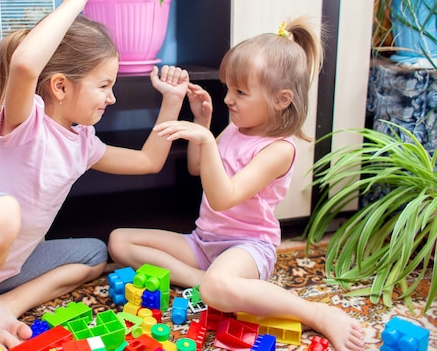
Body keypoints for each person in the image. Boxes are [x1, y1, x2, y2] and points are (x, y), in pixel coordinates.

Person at [0, 0, 190, 351]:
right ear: (59, 86)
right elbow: (25, 66)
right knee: (4, 210)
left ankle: (2, 304)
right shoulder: (27, 122)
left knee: (93, 254)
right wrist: (75, 0)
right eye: (104, 86)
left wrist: (172, 100)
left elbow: (148, 161)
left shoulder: (83, 142)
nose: (112, 97)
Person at [108, 18, 365, 351]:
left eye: (240, 92)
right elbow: (198, 168)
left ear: (281, 99)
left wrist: (206, 138)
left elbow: (223, 198)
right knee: (119, 241)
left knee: (216, 290)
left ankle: (314, 312)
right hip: (204, 242)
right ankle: (210, 281)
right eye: (228, 88)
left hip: (247, 247)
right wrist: (204, 121)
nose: (228, 99)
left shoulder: (278, 150)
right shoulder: (236, 127)